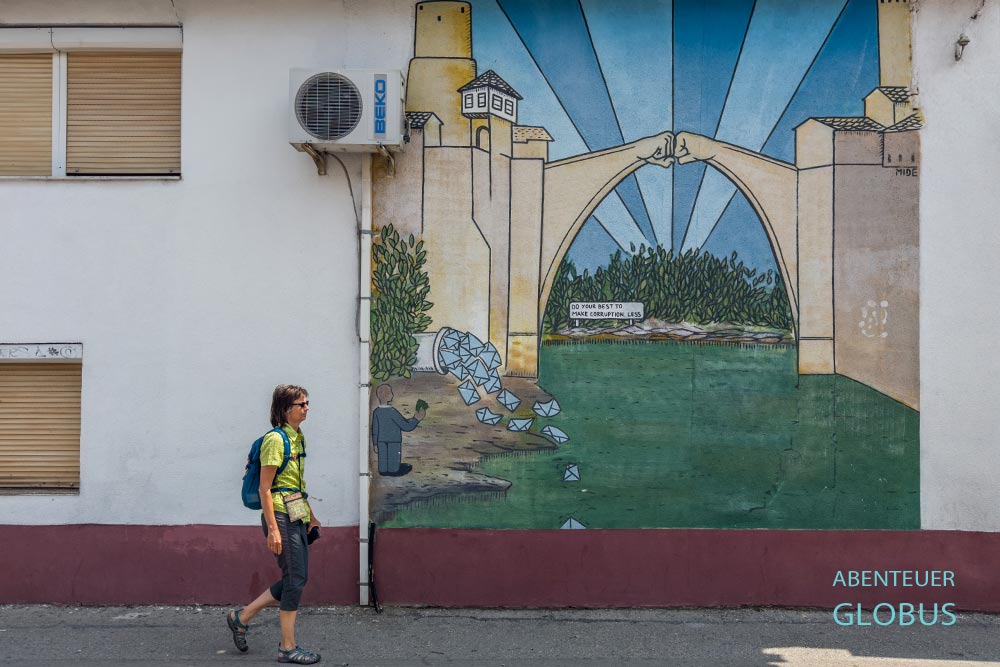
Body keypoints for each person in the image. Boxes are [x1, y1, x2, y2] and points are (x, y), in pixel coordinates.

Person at [227, 384, 321, 665]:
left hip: (296, 514)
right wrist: (274, 529)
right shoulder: (275, 440)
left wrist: (310, 515)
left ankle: (241, 617)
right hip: (279, 516)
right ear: (284, 409)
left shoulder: (298, 437)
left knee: (297, 578)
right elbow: (265, 489)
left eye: (307, 403)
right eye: (301, 404)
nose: (306, 408)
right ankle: (287, 648)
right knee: (294, 580)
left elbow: (294, 485)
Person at [371, 383, 426, 476]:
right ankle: (394, 470)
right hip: (394, 440)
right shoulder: (392, 412)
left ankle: (383, 470)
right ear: (386, 395)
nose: (392, 394)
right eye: (390, 392)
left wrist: (375, 444)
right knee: (393, 459)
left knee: (383, 458)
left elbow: (375, 429)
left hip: (381, 440)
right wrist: (416, 419)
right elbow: (405, 426)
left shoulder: (377, 411)